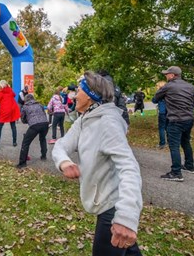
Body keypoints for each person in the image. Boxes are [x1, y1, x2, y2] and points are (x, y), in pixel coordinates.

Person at [51, 71, 143, 256]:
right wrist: (64, 162)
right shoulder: (85, 119)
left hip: (113, 207)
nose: (75, 95)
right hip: (104, 203)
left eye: (79, 91)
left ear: (91, 95)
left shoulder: (108, 123)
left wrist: (125, 217)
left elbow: (129, 167)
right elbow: (62, 144)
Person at [153, 66, 194, 181]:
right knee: (185, 142)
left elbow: (155, 99)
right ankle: (189, 166)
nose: (165, 76)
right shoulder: (190, 86)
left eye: (167, 74)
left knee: (174, 145)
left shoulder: (168, 86)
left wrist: (161, 94)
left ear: (172, 75)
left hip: (176, 120)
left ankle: (176, 173)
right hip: (189, 119)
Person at [17, 93, 50, 168]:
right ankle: (43, 156)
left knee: (25, 143)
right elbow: (44, 114)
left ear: (26, 100)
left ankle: (22, 163)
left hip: (34, 125)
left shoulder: (25, 107)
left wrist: (27, 121)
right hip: (45, 123)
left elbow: (23, 119)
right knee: (42, 139)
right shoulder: (39, 105)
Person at [152, 81, 168, 149]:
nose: (156, 87)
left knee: (161, 128)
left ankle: (162, 143)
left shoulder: (159, 92)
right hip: (170, 112)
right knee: (168, 127)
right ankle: (170, 142)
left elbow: (154, 100)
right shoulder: (169, 92)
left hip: (162, 112)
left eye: (157, 86)